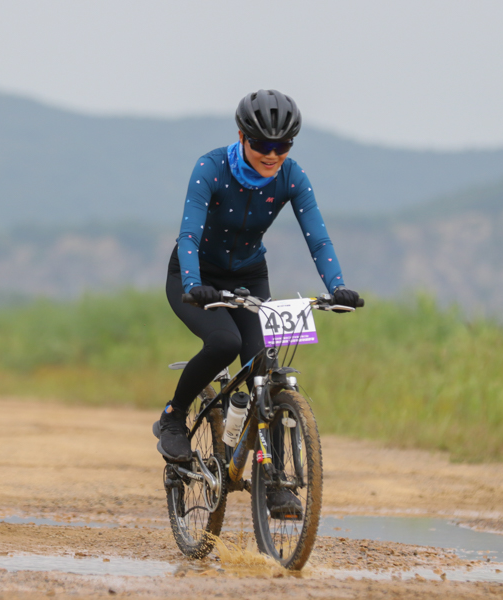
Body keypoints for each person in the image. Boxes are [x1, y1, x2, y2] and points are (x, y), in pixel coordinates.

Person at [154, 89, 361, 514]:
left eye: (282, 145)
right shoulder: (210, 168)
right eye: (262, 145)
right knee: (225, 343)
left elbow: (317, 237)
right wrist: (194, 283)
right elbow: (190, 235)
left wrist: (337, 286)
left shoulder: (291, 176)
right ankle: (174, 416)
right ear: (241, 136)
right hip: (195, 276)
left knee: (265, 369)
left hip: (249, 276)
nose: (272, 154)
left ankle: (277, 481)